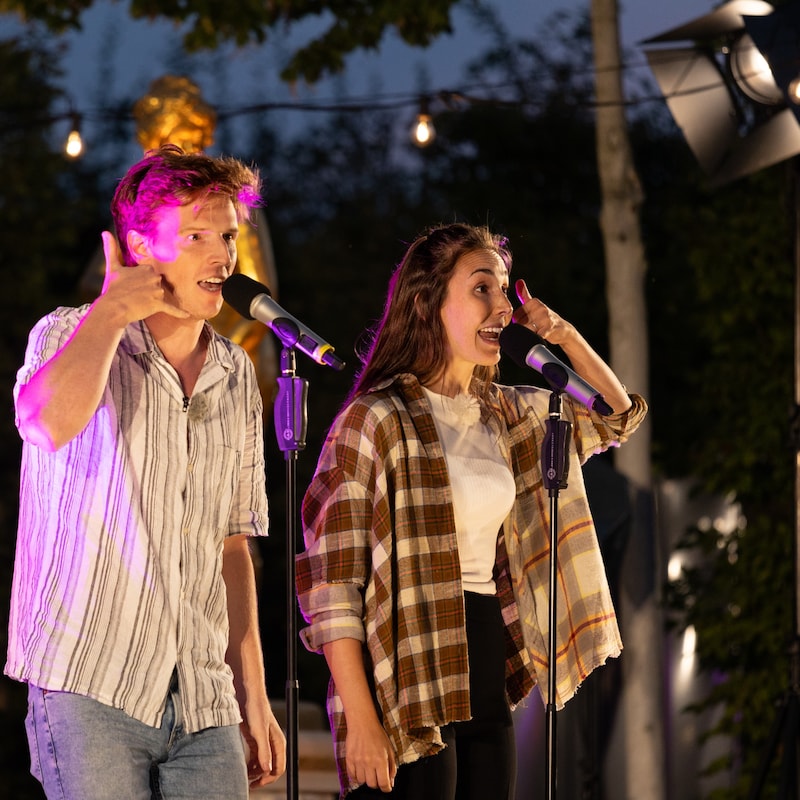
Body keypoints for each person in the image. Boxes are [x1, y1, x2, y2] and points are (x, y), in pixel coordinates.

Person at [295, 222, 647, 799]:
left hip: (484, 656)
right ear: (428, 302)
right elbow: (332, 583)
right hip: (407, 667)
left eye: (504, 290)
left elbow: (615, 415)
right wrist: (359, 716)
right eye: (482, 288)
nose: (502, 307)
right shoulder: (375, 418)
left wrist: (562, 334)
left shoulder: (507, 414)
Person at [5, 143, 287, 799]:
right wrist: (109, 313)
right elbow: (47, 422)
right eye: (195, 236)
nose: (221, 257)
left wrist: (254, 692)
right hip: (90, 680)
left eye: (227, 236)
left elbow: (233, 546)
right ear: (139, 245)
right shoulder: (66, 333)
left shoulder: (236, 372)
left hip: (203, 697)